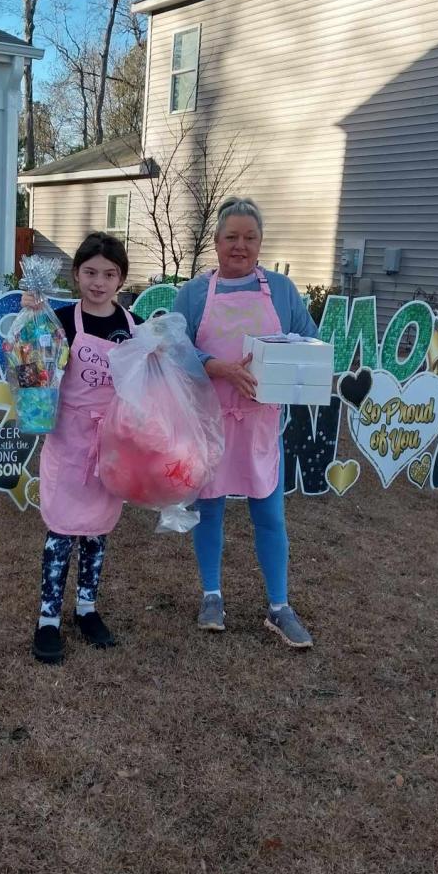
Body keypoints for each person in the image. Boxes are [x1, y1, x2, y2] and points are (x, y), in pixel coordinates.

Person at [174, 197, 318, 649]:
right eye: (231, 237)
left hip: (260, 423)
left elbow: (309, 341)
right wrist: (219, 367)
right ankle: (211, 595)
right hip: (210, 421)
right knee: (209, 508)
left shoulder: (282, 290)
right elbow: (176, 351)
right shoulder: (195, 293)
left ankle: (279, 606)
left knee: (269, 514)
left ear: (260, 243)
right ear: (215, 243)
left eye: (249, 238)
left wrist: (292, 363)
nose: (240, 246)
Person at [22, 232, 142, 664]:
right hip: (68, 440)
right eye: (90, 272)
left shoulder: (133, 326)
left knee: (96, 531)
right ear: (75, 274)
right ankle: (48, 618)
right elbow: (32, 367)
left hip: (111, 444)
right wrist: (31, 324)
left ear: (121, 279)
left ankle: (87, 608)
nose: (99, 282)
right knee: (61, 530)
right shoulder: (58, 320)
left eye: (109, 274)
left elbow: (146, 382)